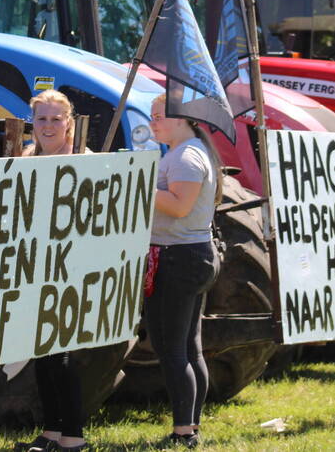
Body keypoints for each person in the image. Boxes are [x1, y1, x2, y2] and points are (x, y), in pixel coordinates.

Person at [144, 93, 220, 449]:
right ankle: (191, 426)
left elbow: (179, 206)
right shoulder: (187, 151)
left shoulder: (186, 156)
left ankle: (183, 432)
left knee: (173, 350)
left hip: (179, 258)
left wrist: (139, 183)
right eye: (152, 116)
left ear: (183, 119)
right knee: (189, 349)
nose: (153, 122)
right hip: (190, 256)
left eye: (159, 116)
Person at [15, 89, 86, 452]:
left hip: (70, 268)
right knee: (41, 351)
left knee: (61, 352)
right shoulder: (27, 157)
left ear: (68, 122)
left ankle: (73, 435)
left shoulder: (82, 159)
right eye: (41, 118)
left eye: (56, 119)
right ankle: (52, 431)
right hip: (35, 267)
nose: (48, 126)